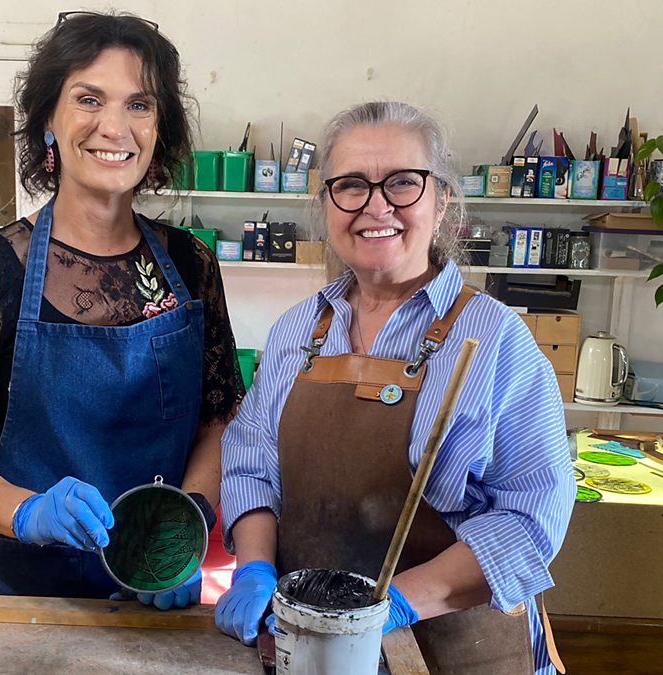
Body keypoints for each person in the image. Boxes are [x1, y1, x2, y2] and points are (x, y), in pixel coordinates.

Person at [215, 101, 574, 674]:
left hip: (455, 652)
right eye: (351, 185)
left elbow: (529, 520)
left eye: (403, 182)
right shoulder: (296, 332)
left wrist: (394, 604)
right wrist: (255, 566)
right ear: (326, 203)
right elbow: (250, 466)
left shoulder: (495, 340)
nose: (376, 205)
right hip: (313, 648)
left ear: (442, 200)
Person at [0, 11, 242, 611]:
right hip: (26, 599)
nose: (114, 127)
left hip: (153, 594)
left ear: (159, 128)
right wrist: (28, 511)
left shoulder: (191, 263)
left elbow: (220, 421)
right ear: (48, 119)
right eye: (89, 99)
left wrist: (183, 528)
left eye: (139, 105)